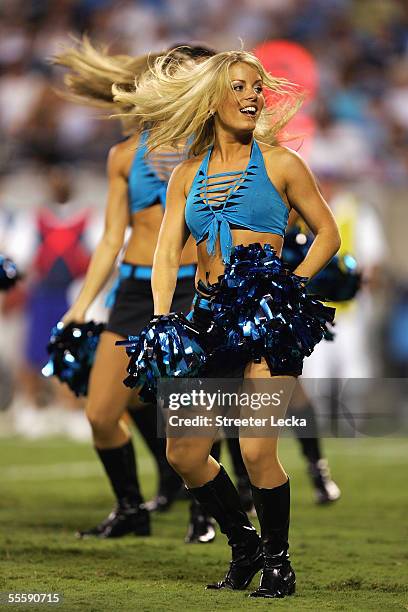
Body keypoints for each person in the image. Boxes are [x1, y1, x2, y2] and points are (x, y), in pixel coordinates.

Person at [115, 50, 340, 598]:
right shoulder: (186, 174)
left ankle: (280, 565)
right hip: (207, 318)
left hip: (268, 322)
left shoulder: (282, 163)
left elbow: (328, 235)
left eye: (258, 88)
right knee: (184, 453)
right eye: (239, 86)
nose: (252, 96)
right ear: (212, 97)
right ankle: (245, 550)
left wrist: (290, 285)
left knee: (258, 450)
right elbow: (167, 253)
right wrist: (166, 315)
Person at [54, 39, 217, 540]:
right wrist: (80, 308)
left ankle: (205, 511)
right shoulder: (124, 156)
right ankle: (131, 509)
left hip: (193, 289)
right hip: (131, 293)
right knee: (102, 413)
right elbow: (109, 239)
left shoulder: (217, 151)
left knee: (189, 414)